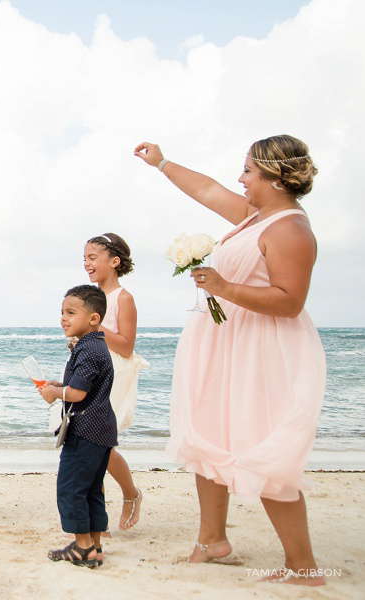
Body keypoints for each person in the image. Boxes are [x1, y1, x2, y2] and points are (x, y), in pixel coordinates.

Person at [134, 136, 326, 586]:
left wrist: (222, 287)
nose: (240, 180)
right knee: (207, 436)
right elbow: (207, 190)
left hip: (262, 352)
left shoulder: (290, 230)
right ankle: (211, 540)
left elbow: (290, 301)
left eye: (248, 171)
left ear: (274, 178)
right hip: (226, 344)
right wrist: (162, 163)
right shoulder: (254, 219)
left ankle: (304, 567)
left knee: (265, 449)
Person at [40, 285, 117, 567]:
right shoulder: (94, 346)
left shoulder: (89, 350)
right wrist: (60, 385)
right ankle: (94, 544)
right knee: (92, 489)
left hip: (86, 429)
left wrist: (55, 394)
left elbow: (78, 394)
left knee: (72, 487)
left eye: (71, 313)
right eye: (62, 312)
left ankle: (82, 547)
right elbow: (85, 385)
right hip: (102, 428)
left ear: (93, 318)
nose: (63, 318)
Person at [83, 233, 148, 530]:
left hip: (113, 372)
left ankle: (129, 496)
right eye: (84, 258)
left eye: (92, 257)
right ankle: (102, 519)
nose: (87, 263)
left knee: (98, 445)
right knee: (91, 445)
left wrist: (94, 327)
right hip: (89, 370)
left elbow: (125, 345)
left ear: (114, 261)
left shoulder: (123, 298)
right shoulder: (88, 297)